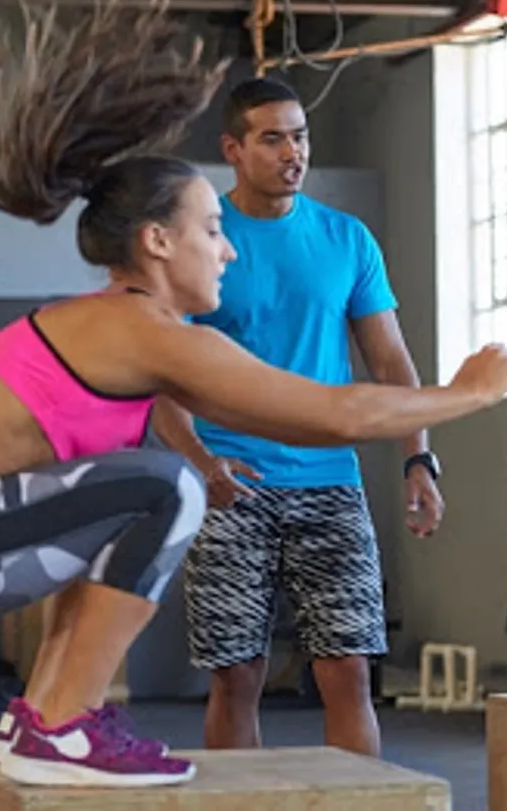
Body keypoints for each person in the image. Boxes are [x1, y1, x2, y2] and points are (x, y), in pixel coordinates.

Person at [0, 0, 507, 790]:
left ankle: (43, 718)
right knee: (167, 486)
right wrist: (471, 392)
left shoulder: (129, 325)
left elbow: (329, 412)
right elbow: (338, 413)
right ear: (157, 242)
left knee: (126, 501)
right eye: (210, 231)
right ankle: (61, 725)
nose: (227, 251)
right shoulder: (144, 330)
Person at [162, 76, 440, 758]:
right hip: (232, 486)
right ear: (233, 149)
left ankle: (363, 805)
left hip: (330, 483)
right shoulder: (200, 244)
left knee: (348, 671)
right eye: (272, 139)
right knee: (236, 678)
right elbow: (161, 377)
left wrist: (418, 457)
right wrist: (202, 463)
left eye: (300, 136)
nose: (293, 152)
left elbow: (391, 363)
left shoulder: (347, 239)